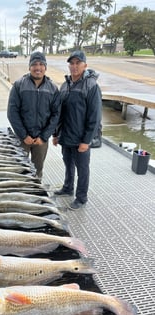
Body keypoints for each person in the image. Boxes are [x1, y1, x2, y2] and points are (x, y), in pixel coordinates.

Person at [53, 50, 102, 210]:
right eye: (71, 63)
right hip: (66, 136)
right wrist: (56, 134)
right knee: (68, 164)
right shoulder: (65, 85)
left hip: (81, 138)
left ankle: (81, 198)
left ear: (85, 65)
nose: (74, 66)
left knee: (82, 169)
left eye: (77, 63)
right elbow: (59, 112)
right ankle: (68, 188)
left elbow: (94, 116)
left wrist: (86, 141)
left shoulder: (91, 85)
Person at [7, 51, 61, 180]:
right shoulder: (19, 85)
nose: (38, 68)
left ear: (45, 67)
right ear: (29, 67)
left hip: (41, 140)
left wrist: (44, 136)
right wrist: (24, 135)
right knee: (20, 170)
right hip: (22, 139)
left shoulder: (53, 89)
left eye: (41, 64)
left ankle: (36, 194)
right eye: (34, 64)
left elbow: (56, 115)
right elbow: (12, 112)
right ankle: (20, 194)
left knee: (37, 172)